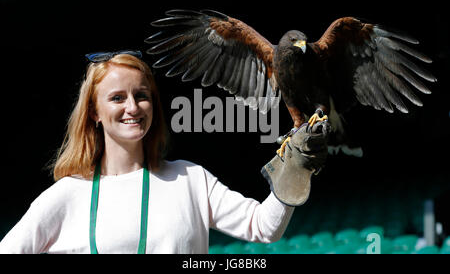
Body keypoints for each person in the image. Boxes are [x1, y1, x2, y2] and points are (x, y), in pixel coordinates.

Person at [0, 50, 327, 254]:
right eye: (117, 98)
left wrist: (294, 172)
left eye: (141, 95)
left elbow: (263, 228)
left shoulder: (190, 179)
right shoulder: (66, 195)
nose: (132, 107)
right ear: (94, 113)